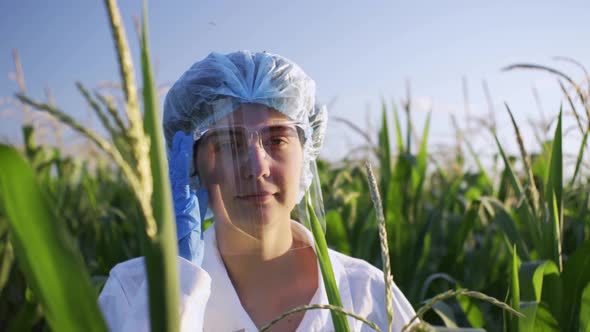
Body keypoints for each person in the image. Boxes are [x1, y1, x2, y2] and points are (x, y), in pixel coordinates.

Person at [98, 51, 416, 331]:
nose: (256, 166)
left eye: (277, 140)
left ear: (306, 154)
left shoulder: (366, 294)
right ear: (191, 164)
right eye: (228, 143)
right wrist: (173, 292)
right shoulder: (134, 292)